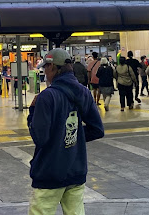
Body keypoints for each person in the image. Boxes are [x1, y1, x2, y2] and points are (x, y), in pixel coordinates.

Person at [28, 48, 104, 215]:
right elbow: (97, 130)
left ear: (53, 67)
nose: (45, 73)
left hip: (50, 171)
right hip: (76, 168)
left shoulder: (47, 97)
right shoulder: (84, 92)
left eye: (45, 68)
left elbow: (40, 138)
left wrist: (32, 112)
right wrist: (72, 135)